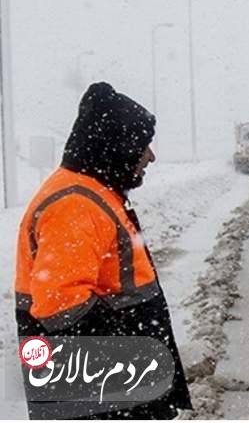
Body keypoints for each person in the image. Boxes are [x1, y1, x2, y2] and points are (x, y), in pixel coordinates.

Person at [14, 82, 192, 419]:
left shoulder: (93, 191)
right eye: (143, 145)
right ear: (118, 146)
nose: (150, 156)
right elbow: (59, 306)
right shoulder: (75, 203)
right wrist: (132, 352)